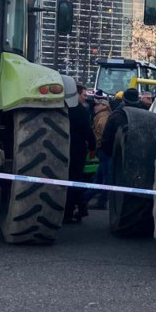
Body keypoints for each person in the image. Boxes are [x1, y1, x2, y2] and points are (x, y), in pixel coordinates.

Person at [64, 77, 97, 223]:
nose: (85, 99)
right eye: (84, 95)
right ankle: (73, 210)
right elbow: (87, 132)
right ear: (75, 94)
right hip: (76, 150)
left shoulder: (60, 110)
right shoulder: (81, 111)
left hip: (62, 148)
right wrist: (92, 146)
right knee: (75, 180)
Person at [88, 95, 113, 209]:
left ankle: (100, 201)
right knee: (101, 175)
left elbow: (100, 133)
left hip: (103, 150)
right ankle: (90, 198)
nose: (95, 107)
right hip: (104, 150)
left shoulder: (102, 117)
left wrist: (97, 144)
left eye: (97, 105)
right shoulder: (103, 115)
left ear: (104, 106)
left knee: (104, 176)